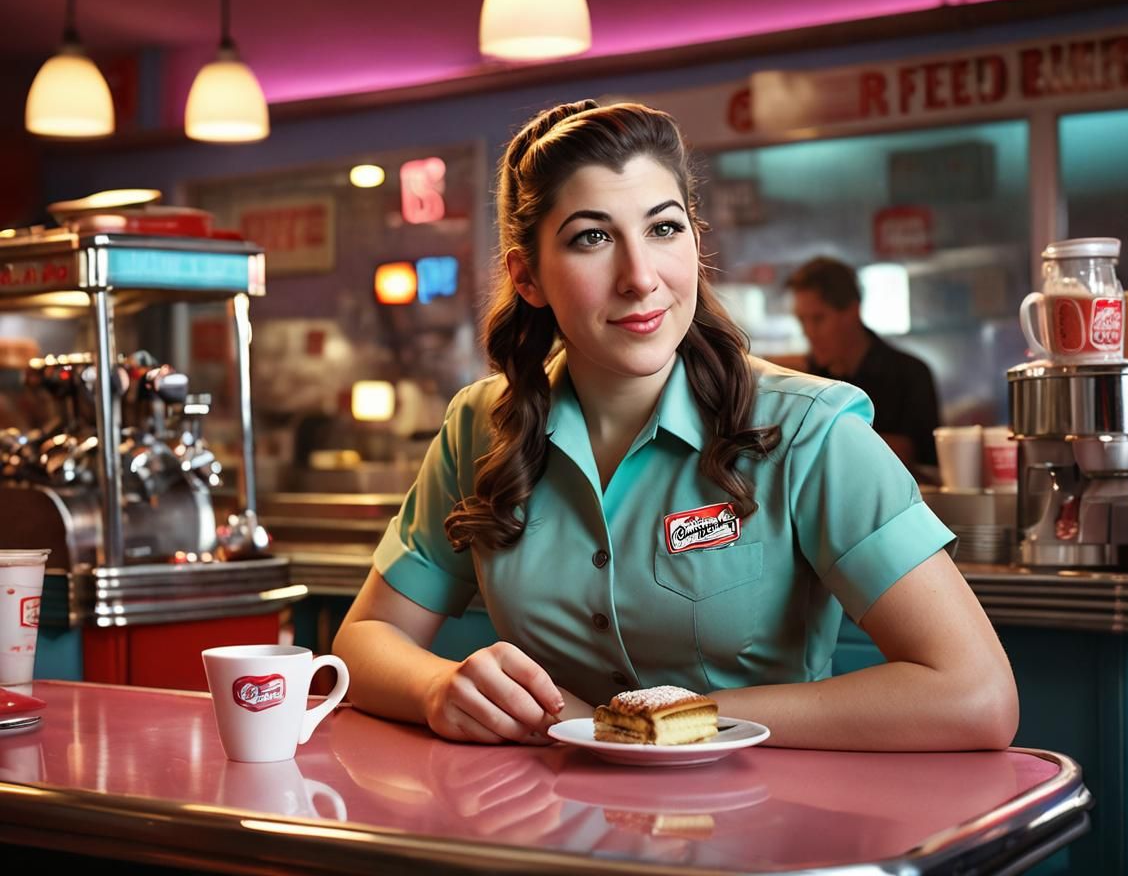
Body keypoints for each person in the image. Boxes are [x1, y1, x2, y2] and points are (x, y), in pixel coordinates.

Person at [333, 100, 1017, 752]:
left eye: (663, 229)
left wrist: (657, 725)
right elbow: (363, 642)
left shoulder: (810, 431)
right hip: (549, 816)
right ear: (528, 278)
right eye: (592, 238)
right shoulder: (480, 427)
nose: (640, 277)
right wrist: (436, 687)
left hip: (761, 816)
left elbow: (976, 694)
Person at [785, 256, 941, 473]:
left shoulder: (909, 374)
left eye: (819, 319)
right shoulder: (808, 379)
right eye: (802, 320)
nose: (809, 333)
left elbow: (910, 456)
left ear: (852, 312)